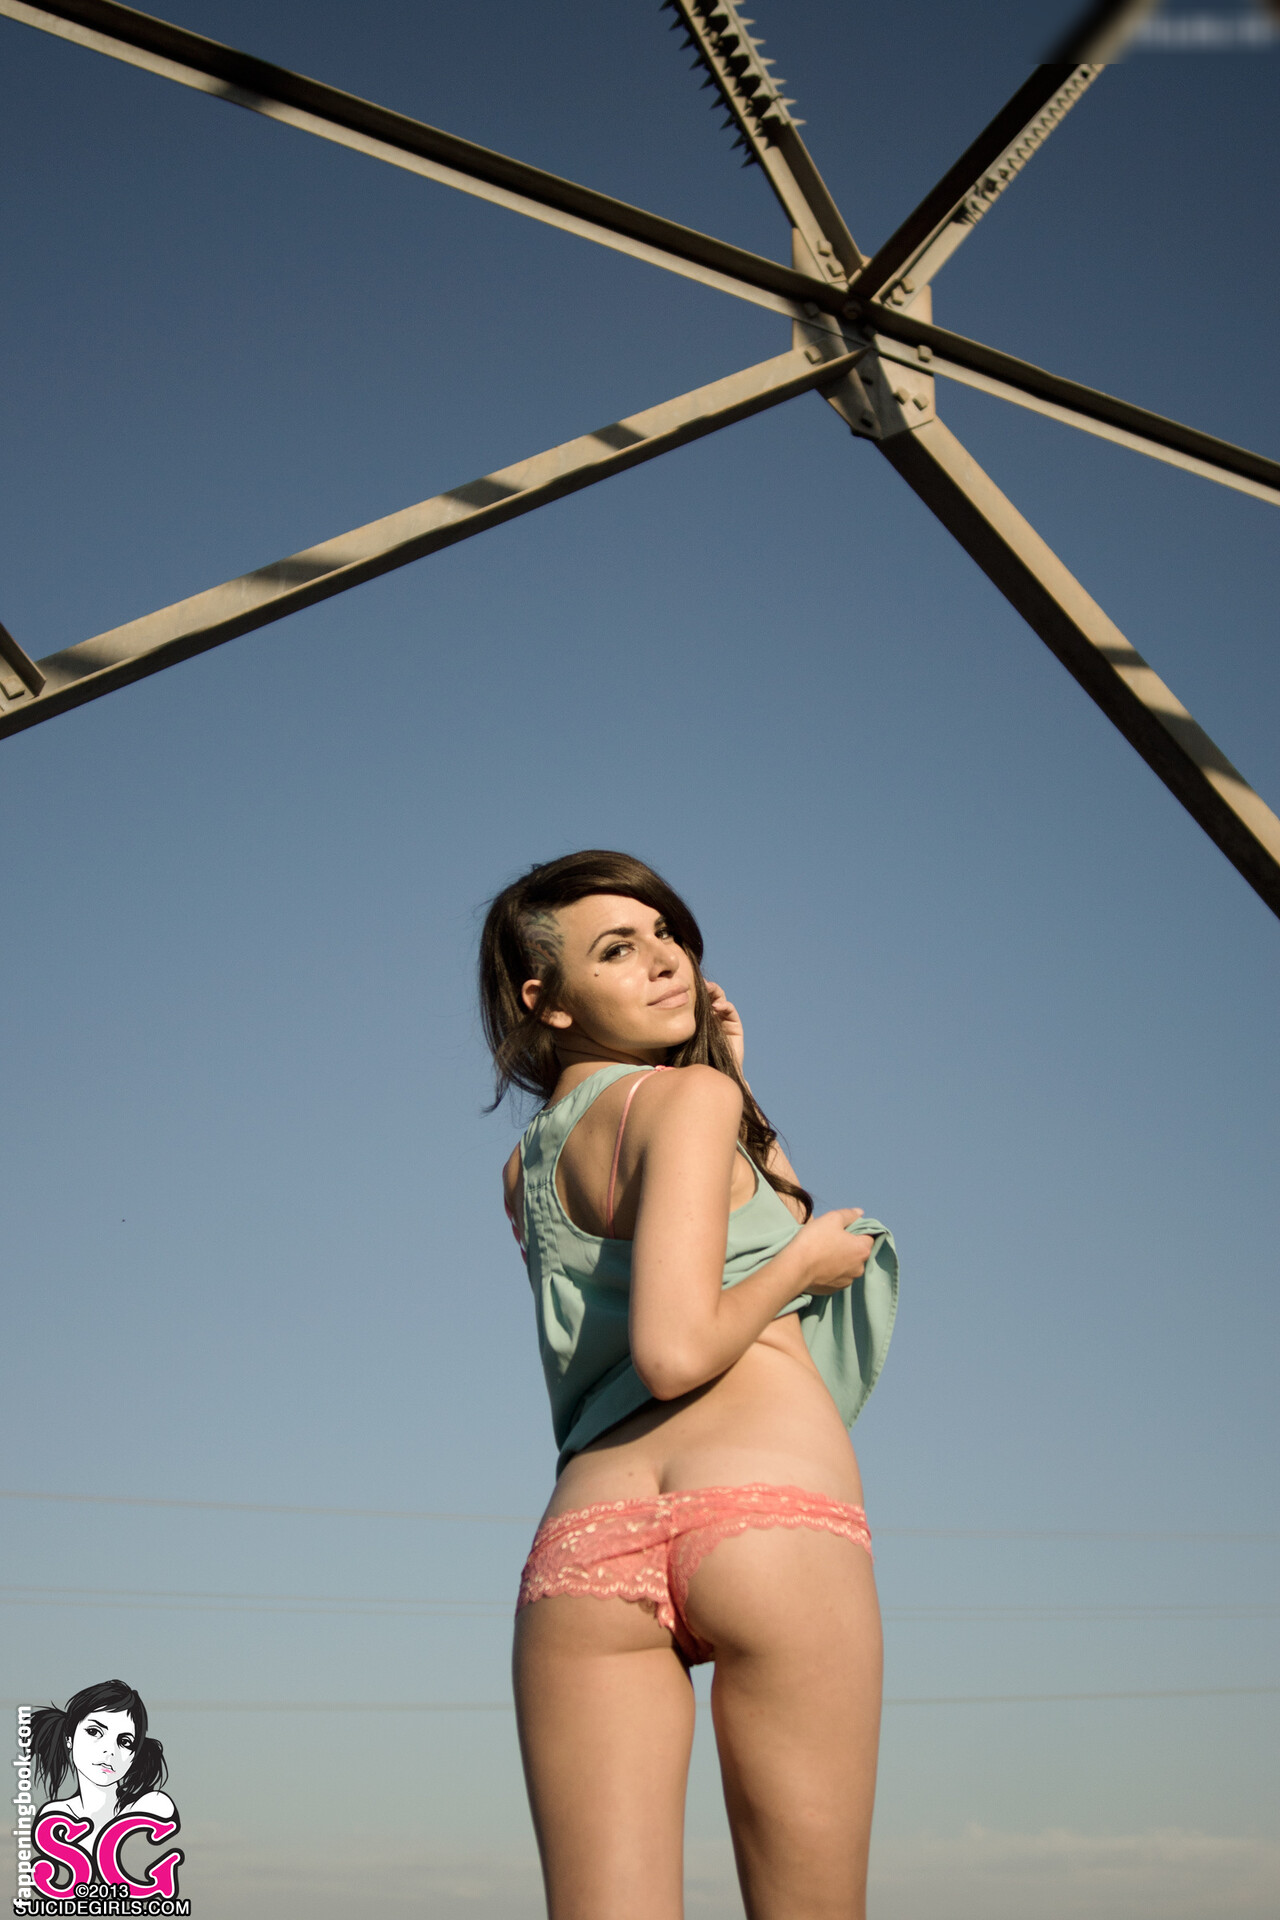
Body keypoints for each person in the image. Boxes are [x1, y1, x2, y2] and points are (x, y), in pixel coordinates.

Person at [480, 849, 898, 1920]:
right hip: (764, 1513)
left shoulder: (523, 1168)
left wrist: (736, 1085)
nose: (665, 959)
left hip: (585, 1547)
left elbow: (732, 1227)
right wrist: (804, 1268)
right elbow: (677, 1346)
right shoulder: (686, 1101)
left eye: (665, 933)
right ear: (546, 1001)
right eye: (617, 949)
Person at [30, 1679, 174, 1848]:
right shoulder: (55, 1816)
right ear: (69, 1738)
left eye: (125, 1742)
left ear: (134, 1755)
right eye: (94, 1732)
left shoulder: (151, 1807)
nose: (110, 1750)